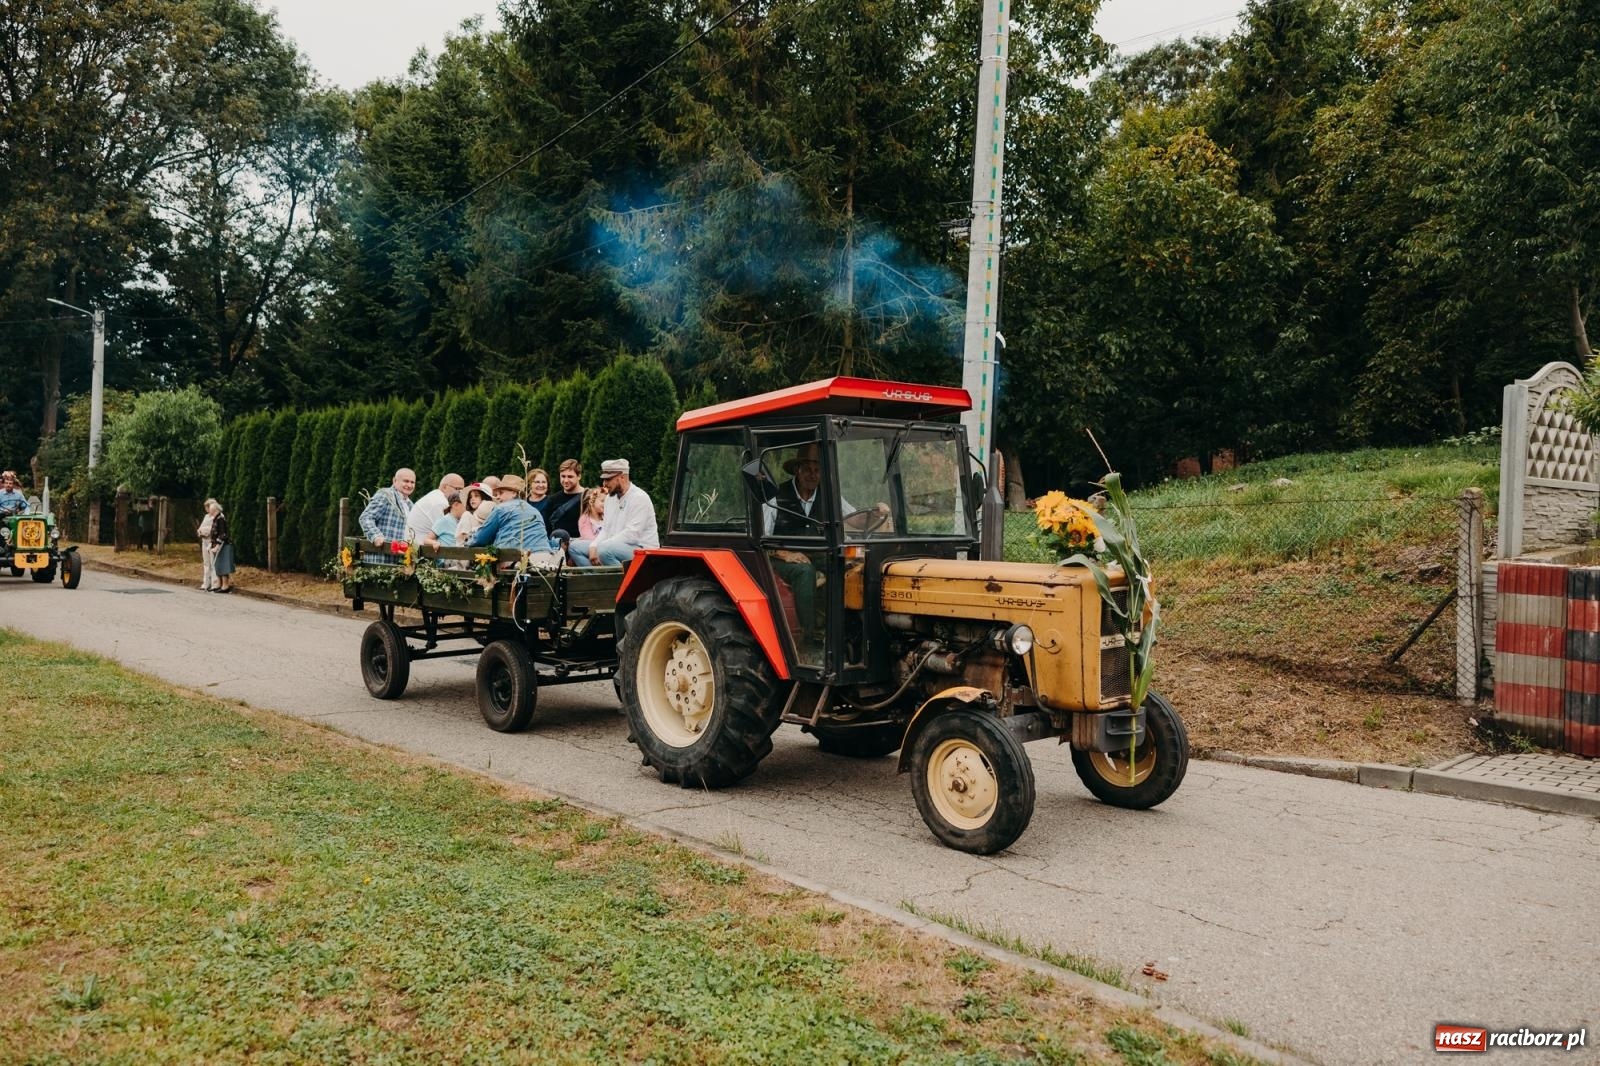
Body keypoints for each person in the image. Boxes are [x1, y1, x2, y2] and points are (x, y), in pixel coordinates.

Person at [567, 458, 657, 567]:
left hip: (643, 551)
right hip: (613, 546)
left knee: (604, 550)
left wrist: (602, 546)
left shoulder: (639, 498)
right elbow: (606, 529)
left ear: (622, 477)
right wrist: (593, 546)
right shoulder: (610, 498)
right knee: (574, 547)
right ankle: (596, 576)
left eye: (608, 479)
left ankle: (621, 578)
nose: (604, 483)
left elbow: (632, 535)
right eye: (604, 479)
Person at [467, 474, 563, 556]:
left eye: (501, 493)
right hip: (545, 557)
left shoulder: (501, 509)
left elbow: (480, 539)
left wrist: (466, 543)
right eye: (497, 494)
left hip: (516, 561)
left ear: (514, 493)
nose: (498, 497)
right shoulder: (535, 511)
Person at [359, 468, 416, 562]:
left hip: (399, 560)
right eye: (406, 481)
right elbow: (366, 517)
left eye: (412, 482)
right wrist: (376, 536)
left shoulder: (410, 505)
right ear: (394, 480)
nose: (409, 485)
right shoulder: (386, 495)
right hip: (380, 558)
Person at [406, 472, 464, 546]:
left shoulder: (435, 496)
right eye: (458, 489)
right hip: (419, 548)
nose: (460, 493)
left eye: (462, 490)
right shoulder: (441, 503)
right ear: (444, 487)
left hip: (417, 545)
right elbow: (449, 532)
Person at [208, 500, 233, 592]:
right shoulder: (215, 519)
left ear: (215, 510)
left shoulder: (221, 519)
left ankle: (225, 586)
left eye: (211, 510)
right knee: (218, 565)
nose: (209, 512)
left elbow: (223, 534)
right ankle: (219, 584)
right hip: (216, 545)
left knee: (223, 565)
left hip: (223, 546)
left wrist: (217, 546)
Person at [197, 497, 219, 591]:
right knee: (206, 562)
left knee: (213, 562)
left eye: (207, 507)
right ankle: (206, 583)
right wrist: (200, 531)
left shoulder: (217, 516)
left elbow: (213, 529)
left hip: (212, 541)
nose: (206, 509)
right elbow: (201, 527)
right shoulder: (206, 516)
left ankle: (215, 583)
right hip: (204, 540)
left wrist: (204, 530)